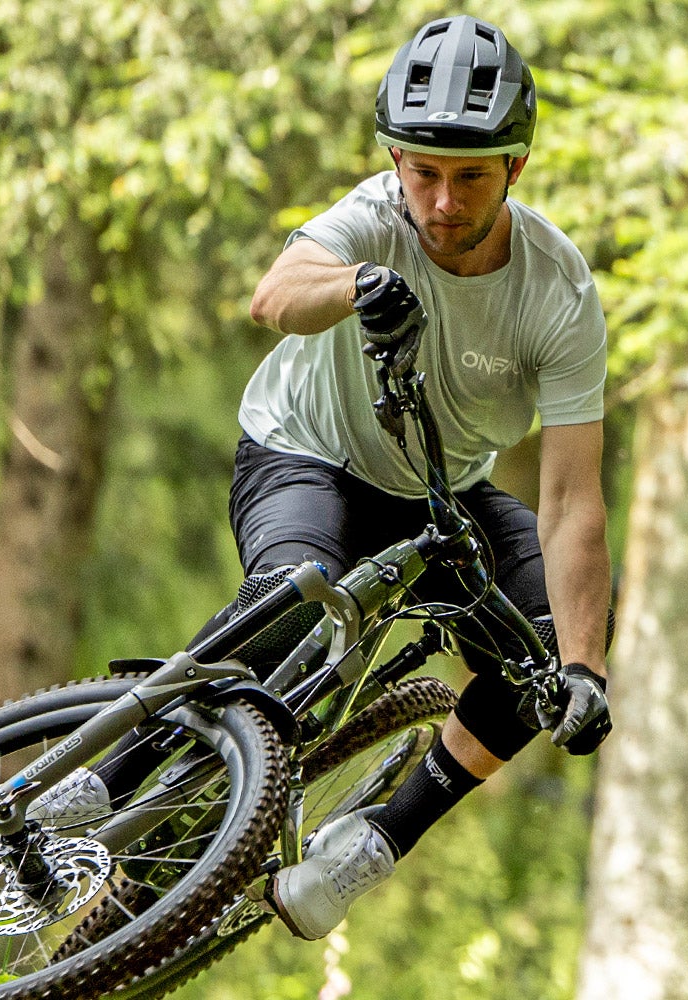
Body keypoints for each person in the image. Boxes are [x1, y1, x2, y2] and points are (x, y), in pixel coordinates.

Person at [237, 14, 615, 939]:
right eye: (425, 172)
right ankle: (105, 781)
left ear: (515, 170)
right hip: (306, 455)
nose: (443, 201)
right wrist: (357, 285)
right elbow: (275, 296)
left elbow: (570, 501)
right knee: (297, 602)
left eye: (472, 176)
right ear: (397, 161)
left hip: (432, 499)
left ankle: (367, 851)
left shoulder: (557, 292)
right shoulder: (371, 215)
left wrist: (586, 669)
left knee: (543, 652)